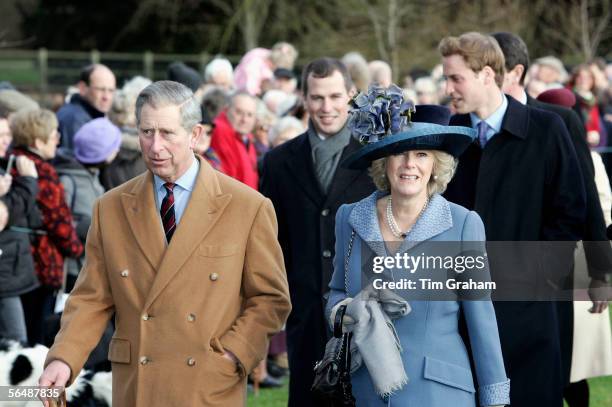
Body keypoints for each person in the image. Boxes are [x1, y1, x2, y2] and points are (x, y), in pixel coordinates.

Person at [39, 80, 291, 407]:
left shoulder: (247, 207)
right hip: (137, 388)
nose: (155, 146)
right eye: (146, 132)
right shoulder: (110, 208)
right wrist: (64, 357)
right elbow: (91, 298)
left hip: (208, 387)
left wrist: (234, 354)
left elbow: (270, 299)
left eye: (167, 133)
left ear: (195, 135)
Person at [326, 89, 510, 405]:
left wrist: (495, 398)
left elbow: (481, 318)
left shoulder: (463, 224)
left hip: (439, 392)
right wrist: (345, 312)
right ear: (383, 163)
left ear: (436, 166)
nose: (409, 165)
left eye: (422, 154)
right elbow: (335, 292)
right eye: (399, 153)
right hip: (367, 389)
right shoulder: (350, 218)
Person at [439, 32, 586, 407]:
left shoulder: (546, 129)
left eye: (455, 78)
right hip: (463, 312)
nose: (448, 87)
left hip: (531, 311)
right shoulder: (451, 137)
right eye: (446, 78)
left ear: (487, 75)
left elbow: (569, 210)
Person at [491, 32, 612, 407]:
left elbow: (585, 197)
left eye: (489, 71)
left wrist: (599, 271)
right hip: (486, 278)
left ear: (515, 73)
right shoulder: (467, 128)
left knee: (550, 379)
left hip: (546, 278)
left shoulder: (556, 120)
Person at [260, 57, 375, 407]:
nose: (327, 107)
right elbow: (270, 240)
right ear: (304, 98)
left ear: (351, 95)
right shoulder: (278, 162)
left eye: (335, 97)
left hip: (366, 312)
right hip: (305, 313)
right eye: (318, 98)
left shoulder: (376, 159)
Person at [10, 109, 84, 346]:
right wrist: (77, 249)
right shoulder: (43, 172)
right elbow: (58, 221)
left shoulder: (10, 163)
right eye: (54, 135)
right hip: (40, 265)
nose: (59, 140)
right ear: (38, 140)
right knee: (36, 336)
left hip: (13, 262)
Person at [0, 113, 40, 343]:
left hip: (13, 269)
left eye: (7, 134)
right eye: (0, 135)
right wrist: (28, 182)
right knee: (16, 341)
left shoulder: (7, 164)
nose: (6, 141)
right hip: (5, 276)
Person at [56, 64, 116, 153]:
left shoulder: (90, 115)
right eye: (100, 89)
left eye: (111, 90)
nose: (106, 97)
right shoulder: (75, 119)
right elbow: (70, 163)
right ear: (83, 88)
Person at [210, 91, 259, 189]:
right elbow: (228, 178)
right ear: (226, 110)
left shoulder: (246, 136)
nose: (244, 119)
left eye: (250, 115)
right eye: (239, 112)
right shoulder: (220, 130)